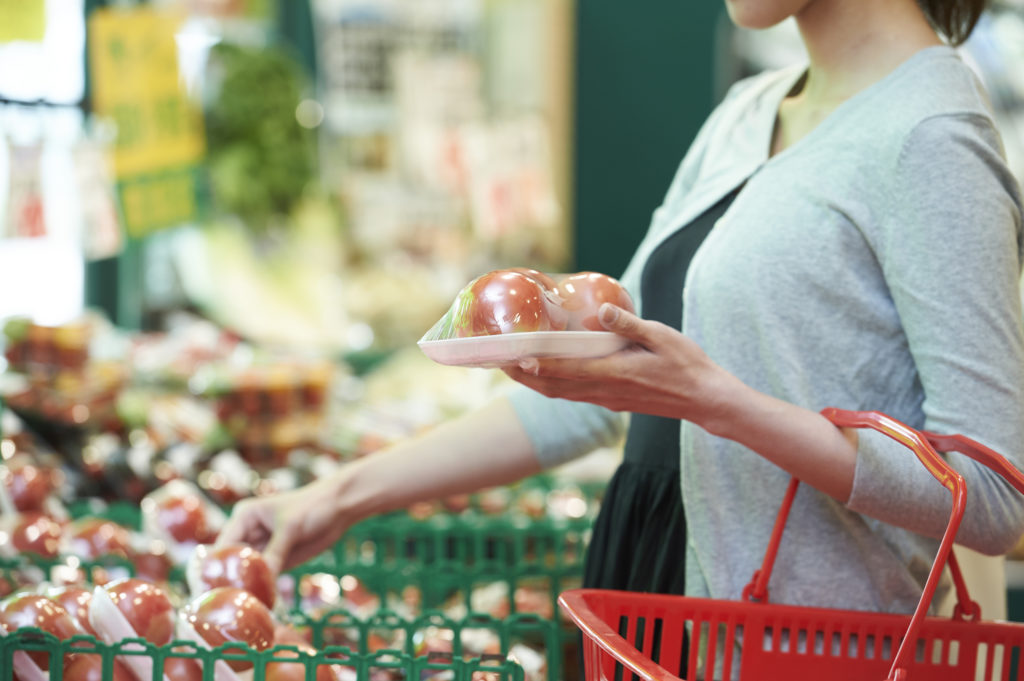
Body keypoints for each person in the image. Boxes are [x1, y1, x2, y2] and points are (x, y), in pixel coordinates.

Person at [219, 0, 1024, 625]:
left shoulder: (930, 138)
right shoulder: (751, 110)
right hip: (648, 590)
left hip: (798, 642)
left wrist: (720, 405)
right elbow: (590, 398)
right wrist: (335, 495)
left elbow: (992, 492)